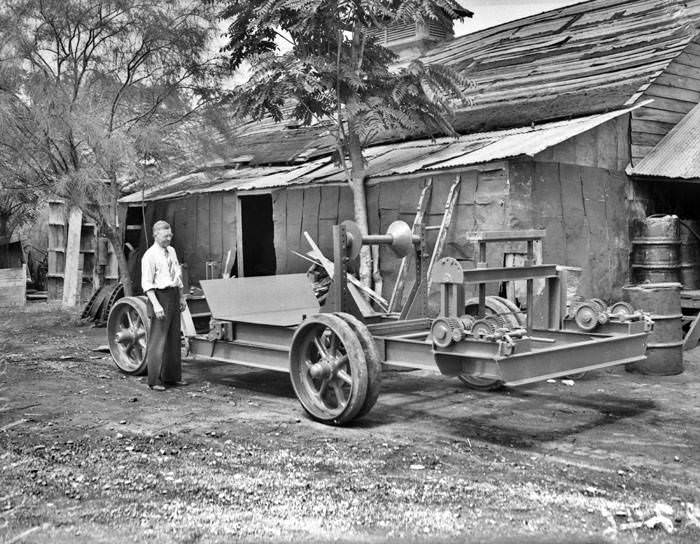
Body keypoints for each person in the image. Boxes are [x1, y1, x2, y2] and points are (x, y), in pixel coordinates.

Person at [141, 220, 188, 391]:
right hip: (160, 297)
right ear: (155, 235)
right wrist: (156, 305)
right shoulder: (149, 255)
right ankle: (154, 380)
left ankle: (172, 377)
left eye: (170, 235)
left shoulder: (172, 251)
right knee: (158, 339)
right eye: (165, 235)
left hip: (174, 294)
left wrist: (181, 297)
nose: (169, 238)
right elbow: (146, 284)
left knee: (174, 338)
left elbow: (177, 274)